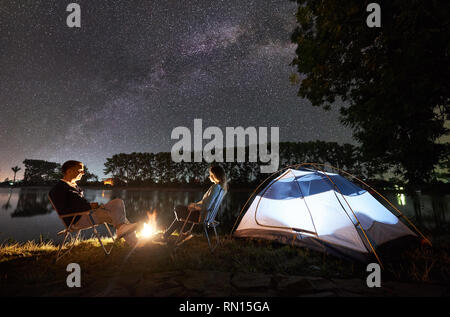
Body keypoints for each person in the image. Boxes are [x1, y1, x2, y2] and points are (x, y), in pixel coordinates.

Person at [49, 160, 139, 246]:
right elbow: (63, 210)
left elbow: (79, 204)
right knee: (118, 205)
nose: (83, 173)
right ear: (69, 171)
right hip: (77, 220)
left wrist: (91, 206)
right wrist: (88, 207)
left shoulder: (74, 186)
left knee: (118, 213)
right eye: (80, 170)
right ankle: (133, 241)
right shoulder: (58, 189)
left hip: (87, 214)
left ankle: (132, 241)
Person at [161, 165, 228, 242]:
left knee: (178, 208)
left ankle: (180, 231)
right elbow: (206, 202)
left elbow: (207, 206)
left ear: (215, 175)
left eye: (211, 175)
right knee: (180, 214)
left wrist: (195, 207)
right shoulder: (221, 188)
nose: (209, 177)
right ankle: (170, 233)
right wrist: (194, 205)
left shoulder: (215, 187)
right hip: (208, 216)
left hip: (202, 216)